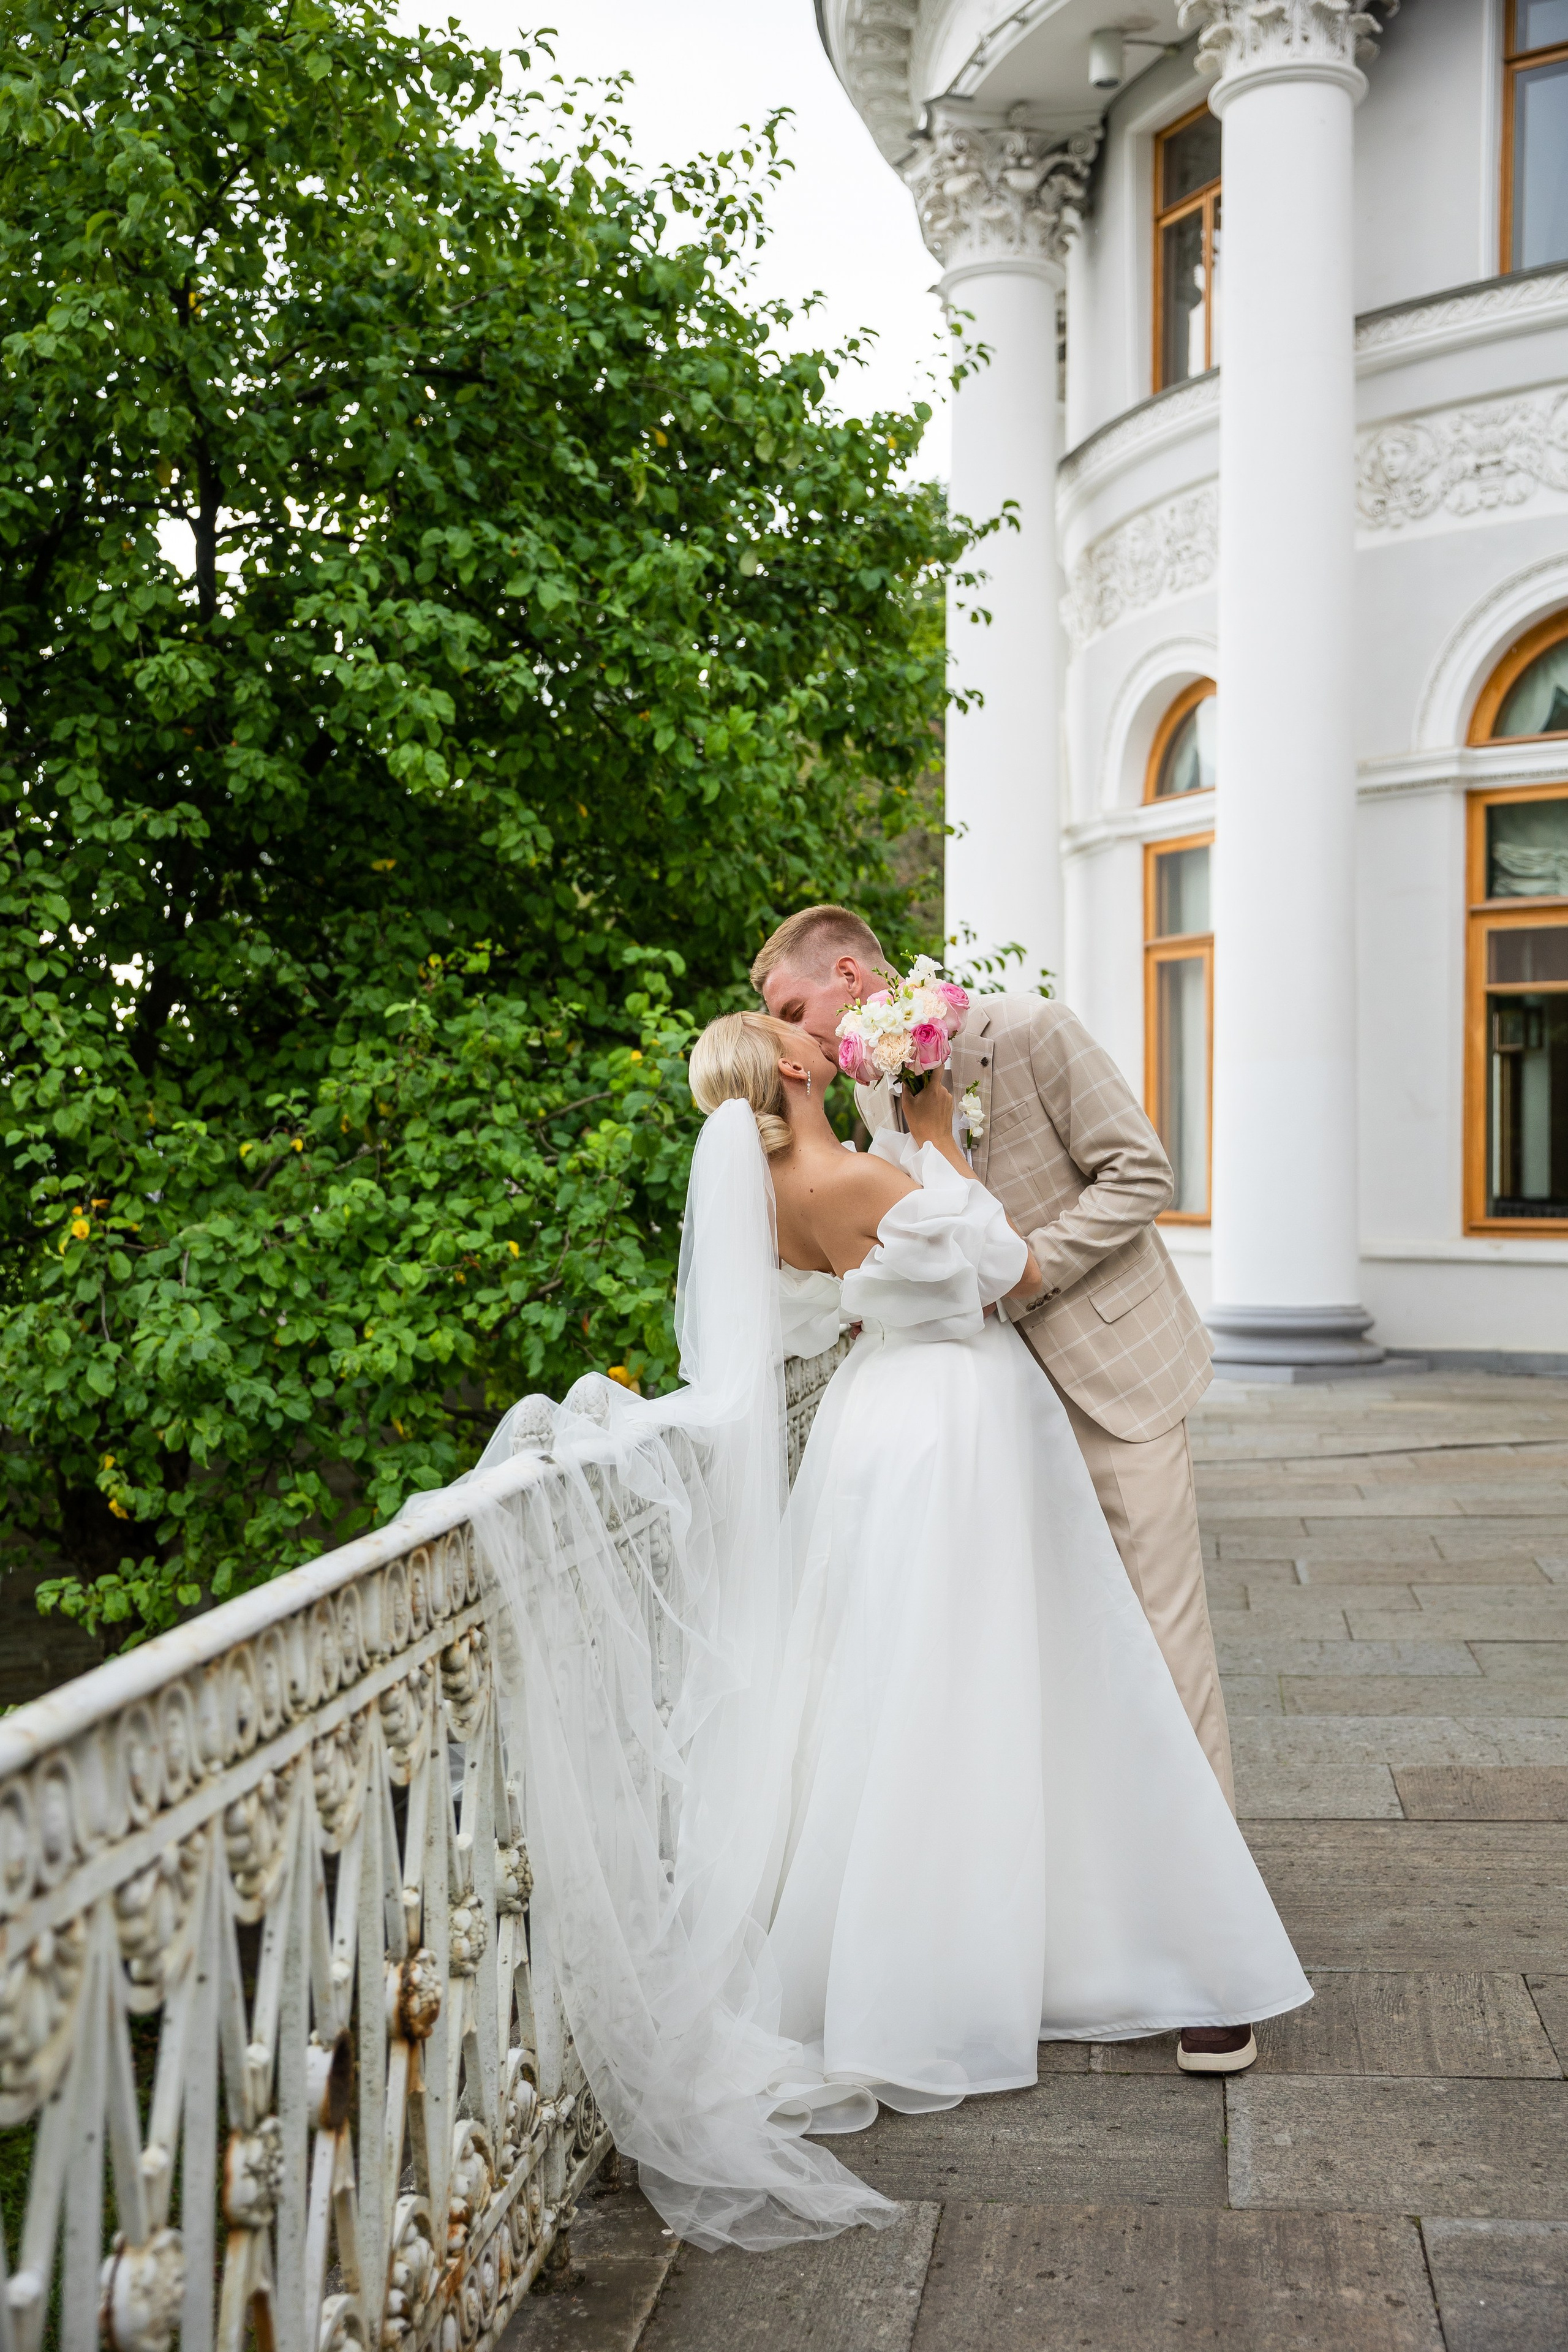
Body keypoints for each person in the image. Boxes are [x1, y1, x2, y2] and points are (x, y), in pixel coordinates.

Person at [431, 1003, 1309, 2256]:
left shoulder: (775, 1195)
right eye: (793, 1028)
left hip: (868, 1430)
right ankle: (968, 1955)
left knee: (891, 1684)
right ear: (793, 1072)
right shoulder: (857, 1173)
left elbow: (833, 1304)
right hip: (945, 1425)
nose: (815, 1035)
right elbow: (997, 1263)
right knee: (964, 1678)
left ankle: (932, 1934)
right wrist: (937, 1131)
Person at [755, 904, 1254, 2076]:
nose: (796, 1037)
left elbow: (1144, 1171)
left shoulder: (1029, 1031)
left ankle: (1211, 1961)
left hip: (1113, 1377)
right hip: (993, 1416)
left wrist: (1030, 1269)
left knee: (1163, 1645)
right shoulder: (874, 1093)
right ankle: (1070, 1924)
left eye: (794, 1011)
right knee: (1050, 1663)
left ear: (846, 975)